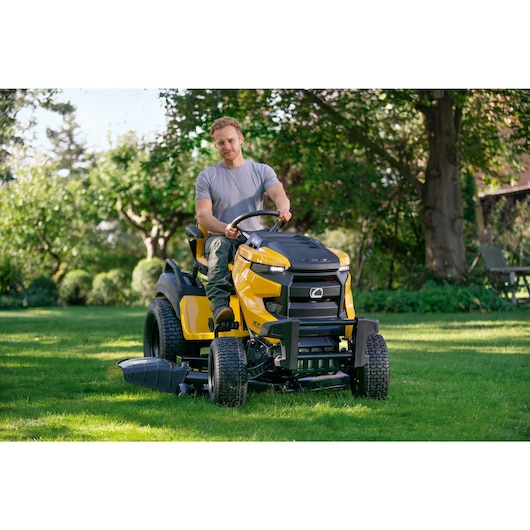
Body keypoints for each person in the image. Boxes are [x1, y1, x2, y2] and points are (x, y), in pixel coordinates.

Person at [195, 116, 292, 325]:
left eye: (231, 140)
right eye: (221, 143)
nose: (226, 146)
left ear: (241, 139)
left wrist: (283, 207)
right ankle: (220, 306)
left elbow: (277, 192)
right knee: (220, 244)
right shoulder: (207, 176)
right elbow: (203, 215)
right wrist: (225, 228)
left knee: (285, 250)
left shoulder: (261, 170)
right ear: (215, 145)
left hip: (254, 239)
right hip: (222, 237)